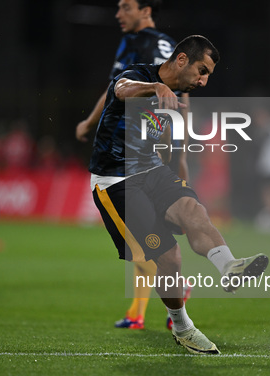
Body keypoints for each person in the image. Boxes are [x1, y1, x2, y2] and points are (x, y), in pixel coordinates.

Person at [89, 35, 269, 354]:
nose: (204, 80)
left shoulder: (176, 99)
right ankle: (182, 326)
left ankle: (229, 267)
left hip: (152, 172)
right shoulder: (138, 76)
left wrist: (180, 186)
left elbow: (168, 152)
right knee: (170, 259)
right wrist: (154, 88)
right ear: (182, 60)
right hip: (116, 182)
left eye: (209, 74)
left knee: (194, 211)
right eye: (202, 70)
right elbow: (121, 90)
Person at [76, 0, 189, 331]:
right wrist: (92, 121)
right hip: (136, 145)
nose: (118, 14)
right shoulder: (132, 43)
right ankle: (141, 312)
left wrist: (173, 144)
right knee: (144, 239)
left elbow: (175, 93)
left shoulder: (159, 44)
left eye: (126, 7)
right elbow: (117, 89)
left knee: (144, 241)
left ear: (146, 9)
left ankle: (172, 302)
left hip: (143, 149)